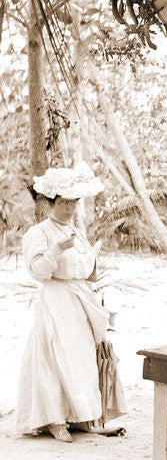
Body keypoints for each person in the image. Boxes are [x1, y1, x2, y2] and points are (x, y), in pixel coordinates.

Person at [16, 164, 126, 442]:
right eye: (63, 203)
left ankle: (81, 417)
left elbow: (90, 269)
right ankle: (55, 420)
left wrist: (98, 298)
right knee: (55, 358)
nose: (68, 209)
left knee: (82, 358)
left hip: (80, 301)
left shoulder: (78, 234)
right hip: (55, 300)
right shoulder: (40, 233)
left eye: (72, 203)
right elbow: (39, 271)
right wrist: (56, 249)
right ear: (51, 203)